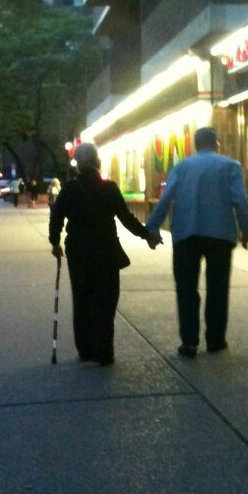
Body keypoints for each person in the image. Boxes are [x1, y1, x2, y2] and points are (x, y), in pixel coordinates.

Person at [146, 127, 248, 358]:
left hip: (186, 234)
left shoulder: (182, 167)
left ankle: (189, 342)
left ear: (196, 145)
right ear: (217, 144)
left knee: (186, 289)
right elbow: (240, 200)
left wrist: (152, 228)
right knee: (218, 289)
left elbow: (166, 197)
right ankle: (215, 340)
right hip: (220, 236)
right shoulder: (230, 166)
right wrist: (247, 229)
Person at [49, 143, 159, 366]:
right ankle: (104, 350)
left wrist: (55, 243)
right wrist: (147, 235)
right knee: (106, 301)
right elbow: (126, 218)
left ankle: (86, 349)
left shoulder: (69, 189)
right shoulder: (109, 188)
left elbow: (56, 218)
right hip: (105, 250)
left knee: (82, 299)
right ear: (97, 162)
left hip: (79, 251)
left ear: (78, 164)